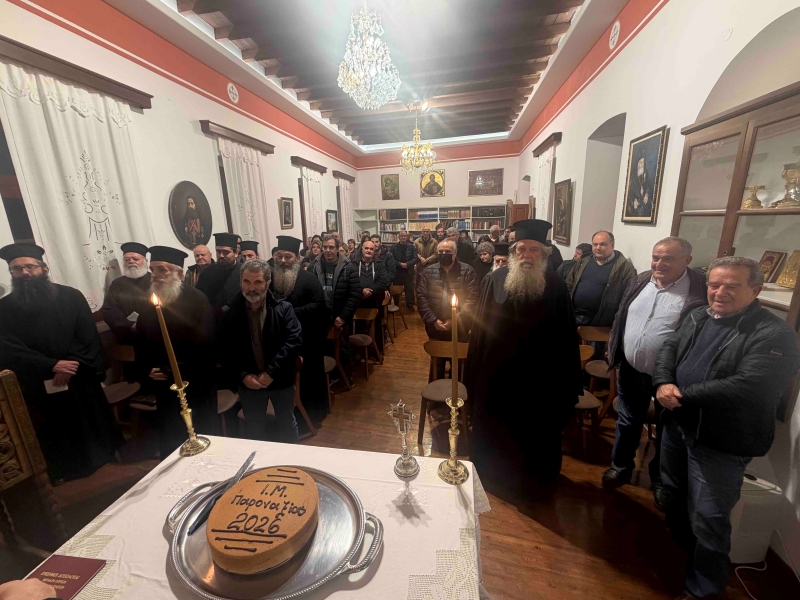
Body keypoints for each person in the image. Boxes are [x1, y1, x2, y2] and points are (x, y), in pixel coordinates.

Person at [652, 257, 800, 599]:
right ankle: (677, 561)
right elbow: (669, 348)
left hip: (720, 440)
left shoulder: (775, 334)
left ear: (755, 290)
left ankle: (703, 590)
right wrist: (661, 381)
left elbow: (751, 385)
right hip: (678, 427)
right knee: (674, 497)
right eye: (714, 285)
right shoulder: (697, 315)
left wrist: (680, 395)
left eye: (732, 286)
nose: (719, 292)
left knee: (709, 519)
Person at [465, 220, 582, 492]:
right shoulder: (495, 280)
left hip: (540, 381)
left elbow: (565, 337)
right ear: (514, 251)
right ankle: (493, 475)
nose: (527, 255)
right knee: (496, 427)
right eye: (522, 249)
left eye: (534, 250)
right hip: (497, 378)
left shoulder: (556, 285)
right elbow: (480, 330)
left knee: (536, 433)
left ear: (543, 253)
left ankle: (534, 480)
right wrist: (474, 371)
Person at [0, 243, 122, 482]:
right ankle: (62, 471)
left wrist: (71, 363)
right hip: (37, 382)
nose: (24, 273)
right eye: (17, 269)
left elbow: (86, 334)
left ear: (43, 269)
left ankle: (102, 458)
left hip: (78, 377)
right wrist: (50, 365)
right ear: (11, 273)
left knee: (88, 423)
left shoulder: (71, 296)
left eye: (30, 267)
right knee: (52, 431)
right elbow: (7, 346)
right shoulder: (3, 308)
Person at [602, 238, 707, 510]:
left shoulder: (699, 289)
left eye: (667, 258)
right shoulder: (640, 281)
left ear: (687, 260)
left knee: (667, 430)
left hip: (670, 377)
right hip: (631, 368)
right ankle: (620, 467)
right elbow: (621, 316)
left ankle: (661, 481)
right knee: (627, 420)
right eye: (655, 257)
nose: (659, 264)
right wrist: (615, 347)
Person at [134, 246, 218, 459]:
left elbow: (206, 345)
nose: (155, 275)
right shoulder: (150, 301)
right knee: (172, 435)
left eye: (162, 269)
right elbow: (141, 343)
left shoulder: (197, 300)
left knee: (204, 436)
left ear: (179, 273)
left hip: (196, 382)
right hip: (164, 385)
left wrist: (174, 369)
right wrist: (149, 369)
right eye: (153, 269)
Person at [222, 259, 302, 443]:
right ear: (240, 282)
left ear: (268, 282)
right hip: (249, 383)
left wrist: (271, 373)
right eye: (247, 281)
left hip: (280, 379)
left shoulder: (283, 308)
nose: (252, 288)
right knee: (254, 428)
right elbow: (226, 349)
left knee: (287, 424)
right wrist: (243, 376)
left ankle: (293, 458)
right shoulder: (229, 312)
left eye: (258, 282)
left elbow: (293, 342)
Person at [270, 236, 328, 422]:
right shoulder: (270, 279)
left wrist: (290, 312)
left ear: (297, 257)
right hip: (281, 341)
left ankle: (311, 415)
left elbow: (318, 305)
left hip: (307, 339)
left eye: (288, 256)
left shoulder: (309, 279)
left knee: (310, 379)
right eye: (279, 256)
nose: (283, 261)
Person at [417, 239, 479, 377]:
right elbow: (421, 298)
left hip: (460, 328)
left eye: (448, 251)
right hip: (435, 327)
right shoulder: (428, 272)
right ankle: (437, 389)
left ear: (455, 253)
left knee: (457, 367)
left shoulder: (468, 271)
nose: (444, 254)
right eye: (441, 251)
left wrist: (455, 321)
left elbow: (472, 300)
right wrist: (433, 320)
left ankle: (455, 389)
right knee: (437, 364)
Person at [309, 235, 361, 369]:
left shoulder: (348, 267)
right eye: (325, 247)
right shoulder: (314, 266)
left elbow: (354, 295)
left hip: (340, 314)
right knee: (323, 348)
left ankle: (345, 374)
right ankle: (328, 376)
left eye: (331, 247)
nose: (328, 250)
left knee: (342, 347)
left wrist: (343, 316)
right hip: (320, 316)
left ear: (337, 249)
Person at [565, 230, 636, 326]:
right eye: (595, 244)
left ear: (612, 245)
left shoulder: (624, 267)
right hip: (574, 315)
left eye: (603, 244)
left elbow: (628, 297)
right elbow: (569, 283)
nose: (598, 248)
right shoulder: (583, 261)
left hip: (600, 322)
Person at [101, 241, 151, 343]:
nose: (131, 261)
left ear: (145, 261)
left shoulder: (155, 280)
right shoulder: (117, 284)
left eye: (135, 259)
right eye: (127, 259)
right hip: (129, 333)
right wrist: (130, 324)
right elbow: (109, 309)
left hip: (154, 331)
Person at [195, 232, 241, 310]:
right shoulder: (207, 273)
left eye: (226, 252)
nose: (221, 255)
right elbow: (199, 299)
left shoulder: (244, 272)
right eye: (218, 251)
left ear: (236, 253)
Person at [390, 230, 418, 311]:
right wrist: (399, 264)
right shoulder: (393, 247)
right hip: (397, 272)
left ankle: (410, 305)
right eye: (401, 236)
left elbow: (415, 258)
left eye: (404, 236)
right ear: (398, 237)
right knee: (396, 289)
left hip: (408, 271)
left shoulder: (412, 247)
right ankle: (396, 304)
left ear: (407, 237)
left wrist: (407, 264)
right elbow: (391, 259)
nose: (403, 237)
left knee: (409, 289)